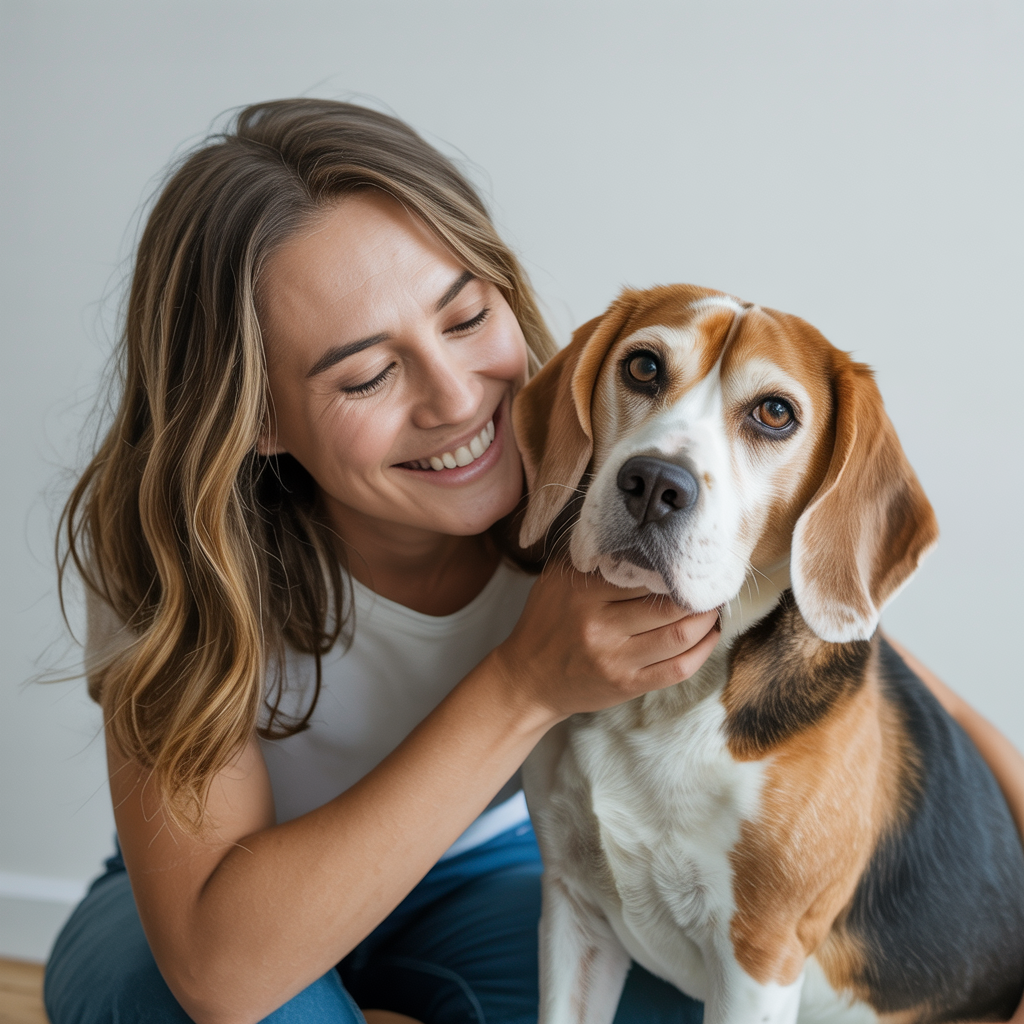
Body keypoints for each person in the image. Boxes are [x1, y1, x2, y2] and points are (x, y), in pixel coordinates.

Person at [44, 99, 1024, 1024]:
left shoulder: (613, 482)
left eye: (466, 318)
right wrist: (524, 680)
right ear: (253, 416)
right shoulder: (172, 543)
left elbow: (889, 684)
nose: (457, 400)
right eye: (368, 373)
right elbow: (221, 969)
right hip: (216, 902)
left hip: (484, 881)